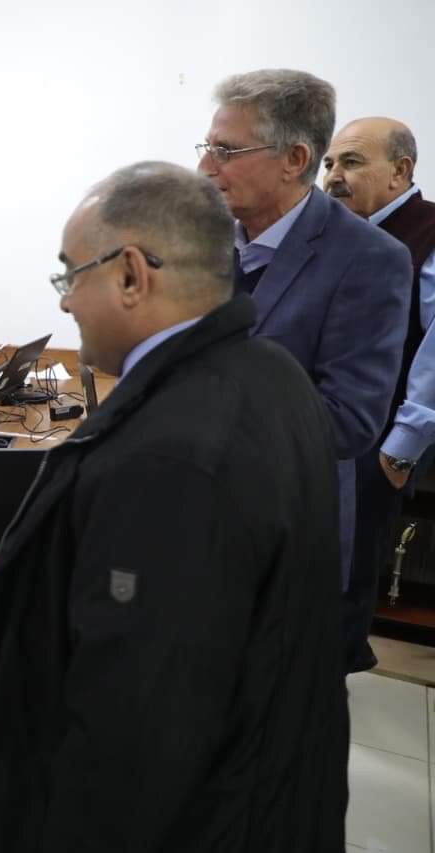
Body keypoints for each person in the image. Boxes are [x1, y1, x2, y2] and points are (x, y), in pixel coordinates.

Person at [0, 163, 347, 851]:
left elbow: (131, 742)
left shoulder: (173, 460)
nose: (65, 303)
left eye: (70, 276)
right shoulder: (272, 373)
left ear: (130, 274)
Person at [198, 69, 411, 605]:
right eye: (207, 148)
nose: (205, 168)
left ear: (294, 159)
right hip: (185, 518)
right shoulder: (199, 239)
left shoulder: (370, 258)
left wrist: (196, 413)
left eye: (226, 151)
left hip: (279, 534)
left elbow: (348, 420)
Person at [324, 117, 435, 671]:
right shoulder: (336, 234)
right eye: (328, 163)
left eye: (350, 162)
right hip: (323, 430)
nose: (332, 176)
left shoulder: (428, 234)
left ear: (400, 171)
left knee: (348, 577)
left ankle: (328, 686)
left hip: (379, 445)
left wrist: (398, 452)